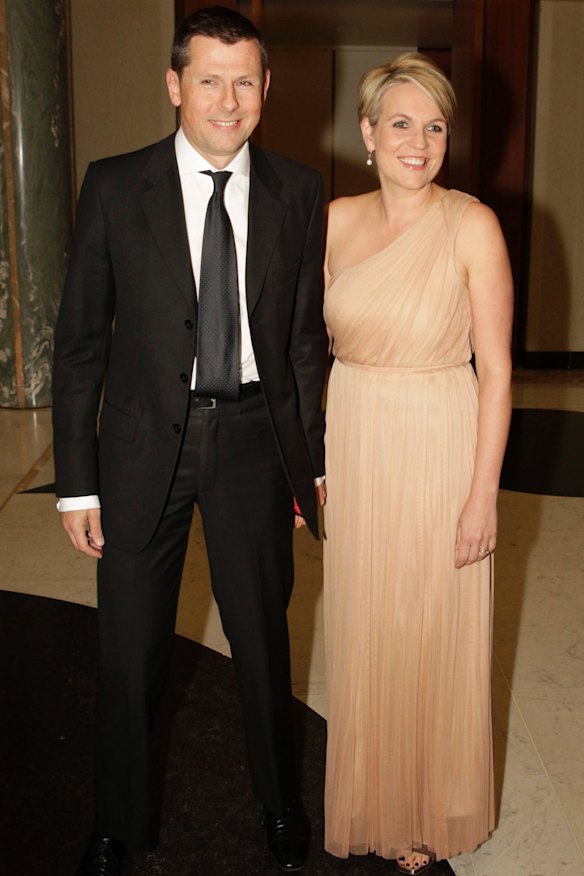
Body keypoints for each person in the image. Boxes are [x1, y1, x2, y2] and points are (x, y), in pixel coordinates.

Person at [52, 6, 326, 875]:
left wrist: (309, 466)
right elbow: (79, 345)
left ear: (266, 88)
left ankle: (281, 804)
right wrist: (76, 482)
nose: (227, 100)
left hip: (252, 441)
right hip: (140, 449)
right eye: (209, 79)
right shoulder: (113, 185)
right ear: (175, 85)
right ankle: (116, 821)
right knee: (130, 653)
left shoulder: (298, 191)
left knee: (262, 642)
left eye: (244, 81)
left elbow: (303, 345)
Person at [322, 53, 512, 873]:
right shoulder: (332, 221)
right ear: (367, 132)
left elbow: (497, 370)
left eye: (435, 127)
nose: (419, 141)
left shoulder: (473, 224)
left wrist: (482, 497)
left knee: (432, 623)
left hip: (441, 434)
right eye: (401, 123)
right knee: (369, 623)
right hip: (356, 433)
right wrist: (314, 467)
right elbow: (302, 350)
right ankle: (375, 798)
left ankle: (430, 808)